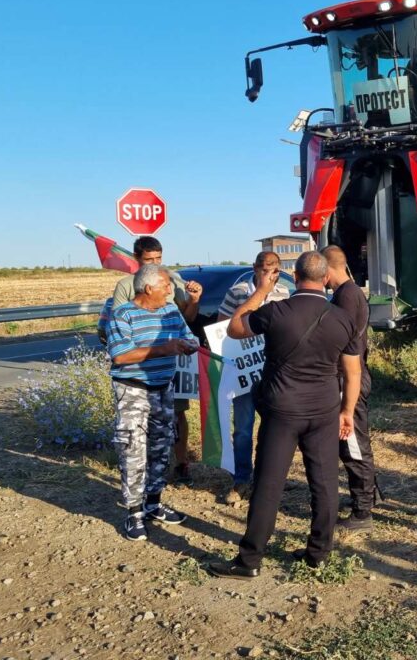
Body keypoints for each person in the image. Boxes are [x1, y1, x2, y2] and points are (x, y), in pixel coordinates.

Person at [208, 251, 361, 579]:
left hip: (281, 410)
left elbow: (234, 328)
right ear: (324, 279)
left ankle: (250, 560)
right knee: (324, 483)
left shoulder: (276, 311)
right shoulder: (341, 318)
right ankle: (319, 554)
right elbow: (352, 372)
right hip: (324, 409)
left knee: (268, 484)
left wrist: (260, 292)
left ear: (294, 274)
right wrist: (346, 411)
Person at [106, 265, 200, 541]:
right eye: (166, 286)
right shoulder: (122, 314)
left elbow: (188, 335)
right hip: (133, 390)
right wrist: (165, 349)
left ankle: (154, 503)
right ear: (148, 288)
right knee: (132, 449)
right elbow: (120, 356)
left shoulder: (170, 312)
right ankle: (134, 513)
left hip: (163, 389)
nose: (171, 291)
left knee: (161, 448)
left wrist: (189, 344)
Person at [111, 236, 203, 486]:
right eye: (149, 259)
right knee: (135, 431)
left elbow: (184, 319)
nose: (155, 263)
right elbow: (120, 335)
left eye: (158, 259)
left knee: (177, 415)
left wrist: (193, 301)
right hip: (138, 373)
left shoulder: (171, 281)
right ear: (136, 258)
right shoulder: (126, 287)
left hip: (169, 367)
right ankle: (137, 481)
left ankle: (178, 465)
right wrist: (160, 348)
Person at [216, 251, 291, 504]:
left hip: (272, 372)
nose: (269, 274)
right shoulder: (237, 291)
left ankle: (269, 477)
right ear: (254, 268)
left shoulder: (284, 292)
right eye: (263, 268)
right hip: (244, 373)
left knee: (275, 427)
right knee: (243, 430)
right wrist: (257, 293)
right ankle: (241, 479)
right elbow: (221, 327)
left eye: (274, 269)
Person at [321, 245, 378, 531]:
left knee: (353, 444)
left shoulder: (346, 296)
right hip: (349, 376)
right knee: (352, 443)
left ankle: (362, 511)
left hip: (349, 379)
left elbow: (340, 342)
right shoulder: (348, 293)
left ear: (328, 269)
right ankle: (367, 497)